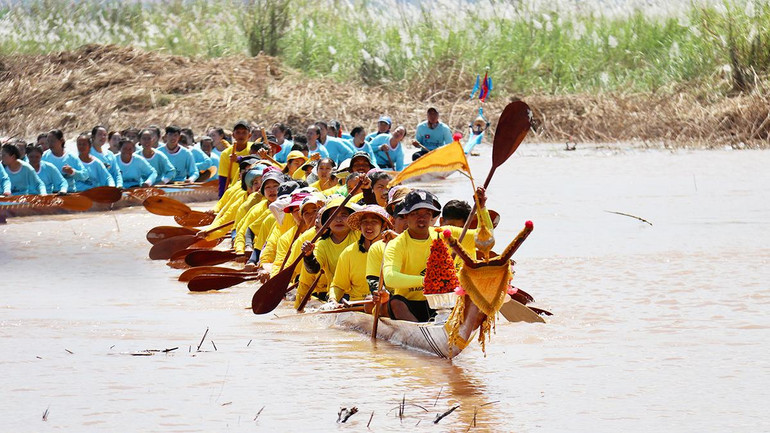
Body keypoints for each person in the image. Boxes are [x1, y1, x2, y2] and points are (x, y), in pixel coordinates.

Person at [381, 189, 485, 322]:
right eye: (415, 213)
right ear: (406, 216)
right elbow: (390, 278)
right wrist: (428, 281)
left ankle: (453, 330)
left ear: (432, 217)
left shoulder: (445, 234)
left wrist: (482, 209)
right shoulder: (396, 244)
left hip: (444, 303)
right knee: (395, 302)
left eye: (427, 213)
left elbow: (485, 240)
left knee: (472, 298)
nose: (422, 218)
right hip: (411, 304)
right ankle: (420, 334)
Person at [327, 205, 392, 305]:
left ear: (383, 226)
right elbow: (338, 285)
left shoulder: (392, 250)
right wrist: (333, 300)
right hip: (357, 307)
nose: (368, 226)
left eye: (374, 222)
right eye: (365, 222)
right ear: (360, 227)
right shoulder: (349, 253)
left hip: (385, 305)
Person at [300, 196, 360, 303]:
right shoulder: (322, 244)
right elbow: (313, 269)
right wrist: (308, 256)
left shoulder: (359, 235)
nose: (338, 219)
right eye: (333, 216)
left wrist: (367, 190)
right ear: (327, 221)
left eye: (344, 215)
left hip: (363, 295)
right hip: (337, 297)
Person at [218, 120, 253, 196]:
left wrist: (239, 159)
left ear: (249, 136)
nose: (241, 135)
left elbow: (255, 158)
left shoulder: (253, 148)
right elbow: (223, 179)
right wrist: (221, 199)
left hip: (252, 188)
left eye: (244, 133)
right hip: (234, 190)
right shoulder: (225, 154)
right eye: (238, 132)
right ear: (233, 135)